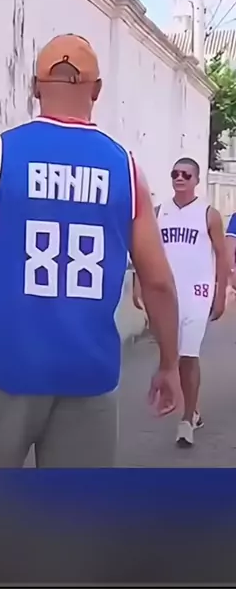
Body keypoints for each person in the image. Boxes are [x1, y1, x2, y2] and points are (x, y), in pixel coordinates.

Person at [0, 34, 180, 468]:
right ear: (96, 90)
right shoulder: (125, 168)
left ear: (34, 87)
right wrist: (170, 364)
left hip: (8, 367)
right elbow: (157, 282)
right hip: (87, 371)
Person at [133, 158, 228, 448]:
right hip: (168, 295)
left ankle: (187, 419)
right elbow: (143, 251)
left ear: (196, 180)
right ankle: (192, 409)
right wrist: (139, 284)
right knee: (170, 354)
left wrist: (220, 294)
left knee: (189, 355)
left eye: (186, 174)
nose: (180, 178)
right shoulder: (159, 212)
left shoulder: (208, 214)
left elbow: (222, 256)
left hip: (198, 292)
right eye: (175, 173)